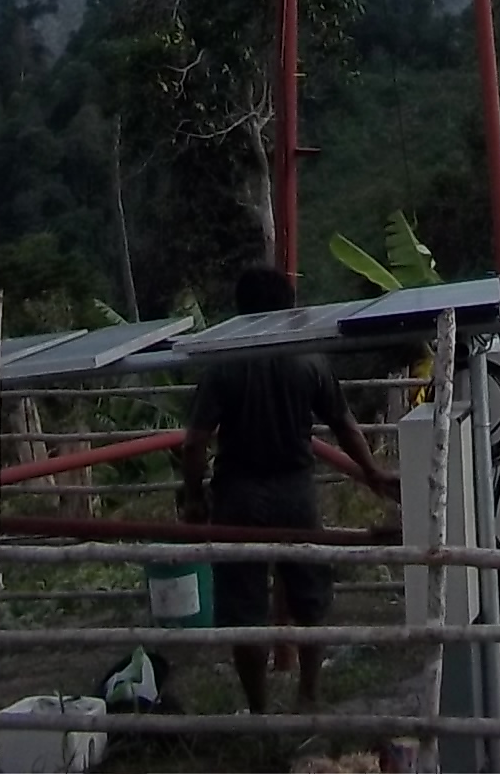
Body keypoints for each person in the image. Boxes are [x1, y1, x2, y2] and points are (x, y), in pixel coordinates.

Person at [178, 263, 399, 718]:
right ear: (287, 307)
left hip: (238, 494)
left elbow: (196, 440)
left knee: (244, 608)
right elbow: (344, 423)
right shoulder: (308, 359)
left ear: (241, 308)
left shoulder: (225, 363)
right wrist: (372, 472)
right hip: (295, 491)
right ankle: (308, 696)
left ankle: (260, 712)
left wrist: (194, 495)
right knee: (310, 596)